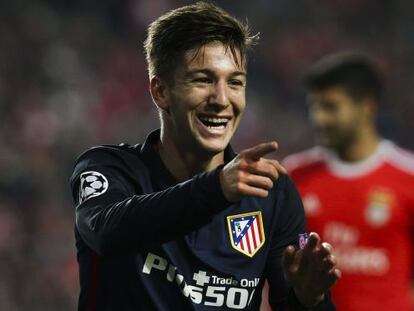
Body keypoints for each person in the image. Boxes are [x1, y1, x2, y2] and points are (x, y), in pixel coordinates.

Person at [70, 2, 340, 310]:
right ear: (160, 92)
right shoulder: (109, 168)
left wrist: (309, 300)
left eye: (235, 83)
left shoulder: (271, 194)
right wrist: (217, 189)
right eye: (203, 80)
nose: (222, 99)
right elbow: (106, 233)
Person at [283, 52, 414, 311]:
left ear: (366, 106)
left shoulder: (408, 176)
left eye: (331, 107)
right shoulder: (296, 175)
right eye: (314, 106)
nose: (319, 118)